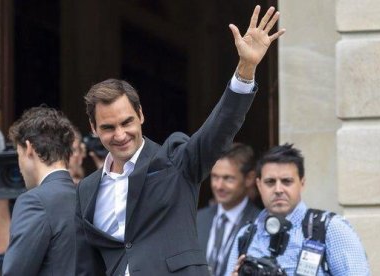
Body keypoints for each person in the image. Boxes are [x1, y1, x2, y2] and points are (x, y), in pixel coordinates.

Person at [75, 5, 285, 275]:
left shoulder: (174, 159)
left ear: (141, 115)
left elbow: (217, 132)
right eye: (108, 127)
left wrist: (246, 68)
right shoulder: (87, 189)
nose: (120, 134)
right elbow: (86, 264)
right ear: (93, 128)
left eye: (127, 122)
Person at [225, 144, 371, 276]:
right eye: (270, 182)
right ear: (259, 185)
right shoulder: (246, 235)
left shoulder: (330, 228)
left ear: (302, 183)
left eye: (286, 181)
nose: (278, 190)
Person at [2, 107, 76, 276]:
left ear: (28, 148)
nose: (19, 167)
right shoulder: (86, 196)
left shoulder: (34, 201)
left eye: (18, 154)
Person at [197, 143, 262, 276]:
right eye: (214, 177)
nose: (218, 186)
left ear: (249, 178)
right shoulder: (197, 219)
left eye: (228, 178)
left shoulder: (260, 223)